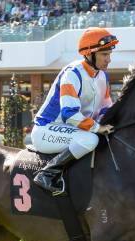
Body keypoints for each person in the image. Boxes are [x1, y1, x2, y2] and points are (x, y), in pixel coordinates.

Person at [31, 27, 116, 194]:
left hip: (73, 129)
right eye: (104, 54)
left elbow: (106, 107)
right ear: (90, 53)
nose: (109, 60)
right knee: (91, 140)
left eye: (109, 54)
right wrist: (98, 128)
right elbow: (69, 114)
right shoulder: (73, 73)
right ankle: (47, 173)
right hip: (46, 129)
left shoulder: (102, 76)